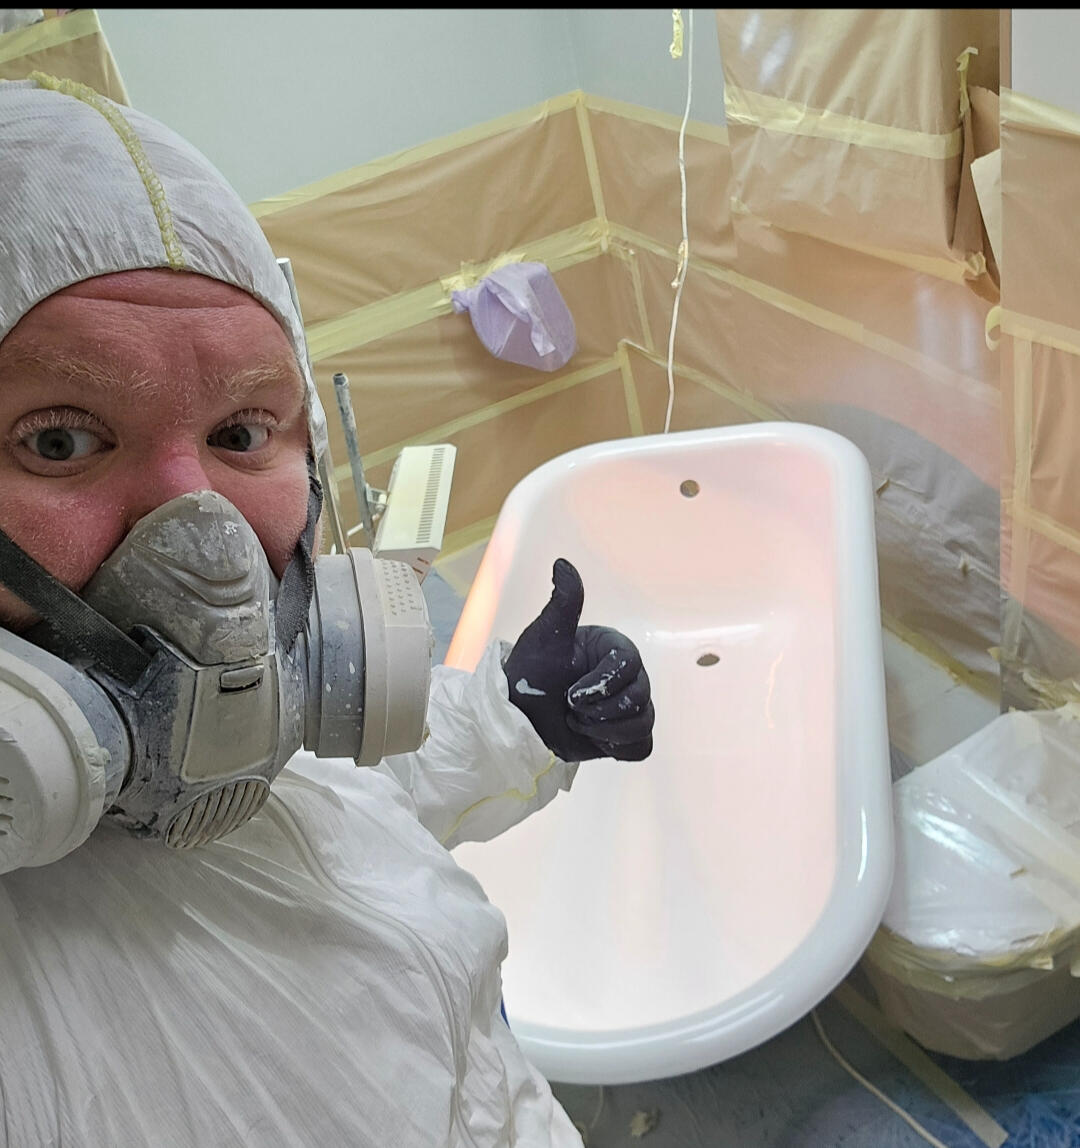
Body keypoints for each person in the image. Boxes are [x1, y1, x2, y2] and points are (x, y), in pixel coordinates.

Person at [0, 74, 654, 1146]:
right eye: (60, 438)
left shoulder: (227, 746)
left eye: (244, 430)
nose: (201, 529)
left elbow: (346, 796)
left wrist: (519, 714)